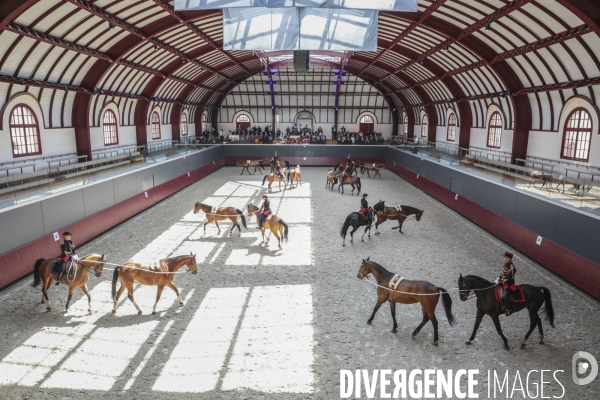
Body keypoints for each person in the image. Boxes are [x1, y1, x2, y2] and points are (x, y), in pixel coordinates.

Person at [497, 251, 517, 316]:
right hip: (503, 282)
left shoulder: (512, 267)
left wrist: (502, 280)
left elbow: (509, 277)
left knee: (504, 296)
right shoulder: (506, 264)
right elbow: (503, 274)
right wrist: (498, 279)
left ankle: (510, 309)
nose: (504, 258)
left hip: (509, 285)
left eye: (505, 257)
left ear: (509, 259)